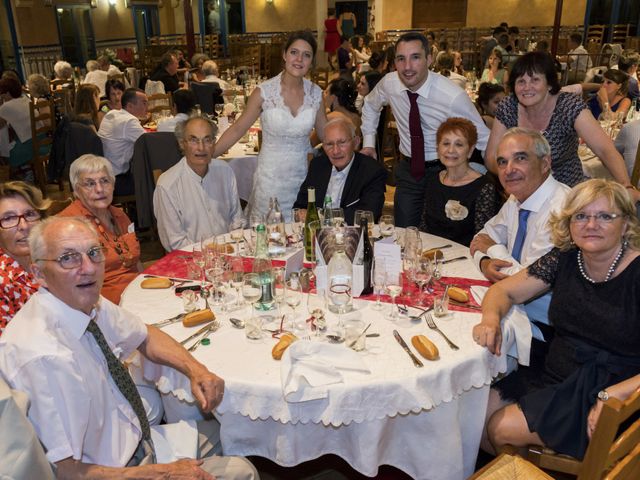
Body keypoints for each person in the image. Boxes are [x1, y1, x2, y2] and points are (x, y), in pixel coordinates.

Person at [0, 215, 259, 478]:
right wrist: (164, 472)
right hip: (114, 470)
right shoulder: (45, 356)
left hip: (133, 439)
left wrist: (196, 370)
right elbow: (68, 472)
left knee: (237, 432)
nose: (88, 268)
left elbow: (144, 335)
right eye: (68, 258)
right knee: (242, 470)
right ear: (39, 274)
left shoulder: (80, 301)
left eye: (93, 253)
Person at [475, 179, 640, 461]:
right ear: (569, 223)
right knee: (475, 413)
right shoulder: (566, 258)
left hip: (614, 389)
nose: (591, 225)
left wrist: (613, 395)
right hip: (557, 373)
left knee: (500, 428)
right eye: (581, 216)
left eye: (605, 216)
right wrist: (490, 319)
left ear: (625, 225)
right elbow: (504, 290)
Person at [361, 32, 490, 227]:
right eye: (401, 59)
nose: (407, 67)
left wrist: (496, 176)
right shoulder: (390, 83)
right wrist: (369, 143)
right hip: (408, 170)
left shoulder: (452, 96)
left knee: (439, 232)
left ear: (429, 59)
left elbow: (483, 137)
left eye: (415, 57)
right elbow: (370, 105)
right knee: (405, 232)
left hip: (445, 171)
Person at [485, 51, 638, 200]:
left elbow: (605, 150)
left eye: (535, 80)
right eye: (521, 81)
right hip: (521, 193)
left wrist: (626, 186)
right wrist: (513, 175)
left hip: (567, 194)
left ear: (550, 84)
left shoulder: (568, 106)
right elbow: (491, 157)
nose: (527, 87)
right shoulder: (508, 106)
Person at [470, 128, 570, 347]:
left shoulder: (562, 210)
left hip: (545, 329)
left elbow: (524, 282)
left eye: (520, 158)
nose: (509, 170)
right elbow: (480, 238)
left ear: (545, 163)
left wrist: (494, 250)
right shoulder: (517, 199)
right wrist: (486, 263)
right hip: (510, 306)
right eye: (502, 162)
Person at [212, 30, 326, 222]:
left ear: (312, 62)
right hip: (270, 177)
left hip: (304, 176)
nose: (299, 59)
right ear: (284, 54)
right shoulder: (264, 92)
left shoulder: (316, 94)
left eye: (306, 55)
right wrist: (210, 154)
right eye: (294, 52)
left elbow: (325, 135)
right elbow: (238, 129)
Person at [58, 154, 141, 303]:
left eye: (105, 181)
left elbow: (136, 262)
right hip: (103, 305)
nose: (99, 189)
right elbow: (71, 286)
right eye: (89, 183)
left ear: (113, 185)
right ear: (76, 190)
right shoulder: (69, 226)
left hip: (138, 292)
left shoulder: (119, 215)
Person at [155, 114, 245, 251]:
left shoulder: (225, 171)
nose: (201, 148)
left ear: (214, 143)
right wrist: (213, 254)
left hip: (230, 252)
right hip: (191, 261)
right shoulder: (168, 186)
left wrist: (232, 247)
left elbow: (237, 219)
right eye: (193, 140)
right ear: (181, 143)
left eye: (207, 140)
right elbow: (174, 242)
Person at [419, 118, 500, 246]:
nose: (451, 150)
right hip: (431, 255)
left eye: (459, 144)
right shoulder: (433, 181)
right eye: (445, 143)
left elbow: (483, 237)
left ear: (470, 150)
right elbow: (424, 226)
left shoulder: (484, 187)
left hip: (466, 258)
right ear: (437, 148)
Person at [294, 117, 386, 224]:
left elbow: (368, 215)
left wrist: (319, 216)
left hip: (352, 237)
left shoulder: (372, 171)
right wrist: (300, 213)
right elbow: (299, 206)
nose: (336, 151)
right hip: (316, 236)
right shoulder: (317, 166)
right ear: (323, 146)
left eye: (342, 142)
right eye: (329, 144)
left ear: (356, 143)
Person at [0, 181, 50, 335]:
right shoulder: (3, 283)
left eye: (29, 214)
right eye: (8, 218)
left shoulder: (50, 259)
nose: (24, 226)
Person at [98, 88, 148, 195]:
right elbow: (149, 144)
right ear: (130, 106)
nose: (147, 107)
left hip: (104, 174)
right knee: (154, 180)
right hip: (117, 181)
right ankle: (142, 211)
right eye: (144, 103)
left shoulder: (112, 114)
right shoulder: (129, 121)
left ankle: (134, 210)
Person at [0, 77, 35, 178]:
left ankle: (25, 172)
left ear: (6, 93)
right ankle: (26, 170)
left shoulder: (6, 107)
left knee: (5, 151)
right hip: (39, 140)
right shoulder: (26, 99)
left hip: (28, 146)